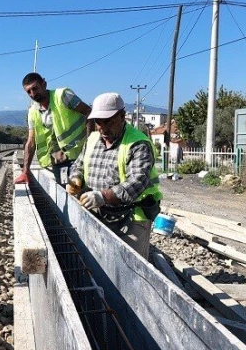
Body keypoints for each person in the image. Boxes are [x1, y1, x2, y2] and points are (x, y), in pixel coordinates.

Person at [67, 92, 162, 259]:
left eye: (108, 121)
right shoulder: (93, 139)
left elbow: (136, 182)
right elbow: (79, 164)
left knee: (131, 267)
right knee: (101, 261)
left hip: (132, 217)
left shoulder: (138, 144)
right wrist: (76, 178)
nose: (103, 128)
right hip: (99, 213)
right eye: (98, 122)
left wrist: (103, 196)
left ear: (122, 116)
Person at [14, 72, 91, 185]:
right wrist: (25, 171)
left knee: (83, 193)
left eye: (35, 88)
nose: (33, 94)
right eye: (28, 91)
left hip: (79, 156)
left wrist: (90, 144)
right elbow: (31, 142)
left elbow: (89, 113)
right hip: (58, 161)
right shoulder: (32, 112)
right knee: (67, 191)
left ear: (44, 84)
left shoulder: (62, 96)